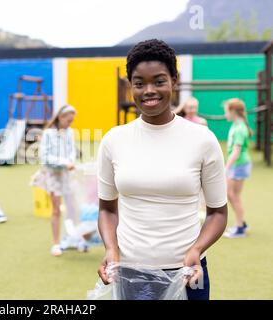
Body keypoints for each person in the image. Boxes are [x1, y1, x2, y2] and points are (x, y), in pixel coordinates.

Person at [97, 39, 228, 300]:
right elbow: (107, 209)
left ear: (174, 81)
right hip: (129, 271)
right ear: (130, 86)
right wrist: (111, 249)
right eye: (139, 83)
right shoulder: (114, 140)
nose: (149, 90)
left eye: (158, 81)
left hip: (187, 272)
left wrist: (197, 249)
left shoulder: (202, 139)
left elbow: (218, 213)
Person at [36, 105, 77, 256]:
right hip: (53, 175)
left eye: (72, 121)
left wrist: (71, 161)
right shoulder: (48, 134)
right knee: (56, 209)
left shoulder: (70, 132)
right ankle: (56, 243)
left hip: (67, 175)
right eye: (68, 120)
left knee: (72, 207)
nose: (70, 124)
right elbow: (45, 157)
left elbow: (72, 150)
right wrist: (65, 162)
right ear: (60, 117)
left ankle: (71, 238)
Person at [223, 98, 252, 238]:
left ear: (233, 111)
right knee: (231, 195)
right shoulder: (237, 124)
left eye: (226, 111)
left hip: (239, 165)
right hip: (237, 165)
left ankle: (240, 227)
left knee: (234, 196)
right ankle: (241, 223)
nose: (225, 114)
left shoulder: (240, 128)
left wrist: (226, 167)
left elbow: (236, 151)